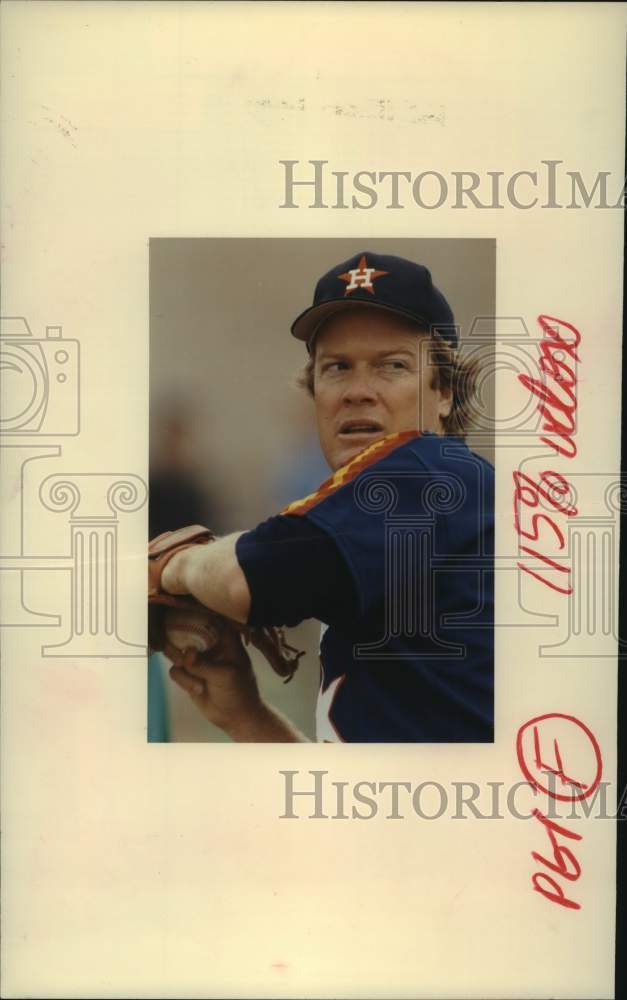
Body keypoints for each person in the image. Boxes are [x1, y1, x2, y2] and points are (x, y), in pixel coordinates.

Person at [155, 251, 494, 743]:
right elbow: (348, 797)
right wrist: (247, 718)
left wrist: (174, 562)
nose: (358, 390)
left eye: (391, 366)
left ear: (444, 392)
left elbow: (245, 578)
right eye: (337, 367)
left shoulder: (431, 471)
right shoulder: (428, 511)